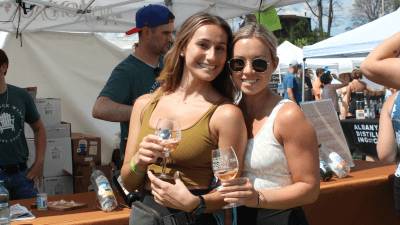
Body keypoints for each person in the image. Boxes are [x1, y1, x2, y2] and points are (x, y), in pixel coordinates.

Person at [121, 13, 247, 225]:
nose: (212, 56)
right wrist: (139, 161)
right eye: (203, 45)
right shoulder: (144, 104)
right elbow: (128, 181)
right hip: (146, 214)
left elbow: (229, 189)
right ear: (182, 48)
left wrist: (196, 203)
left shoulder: (224, 114)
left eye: (220, 48)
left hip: (192, 218)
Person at [220, 23, 319, 225]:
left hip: (281, 218)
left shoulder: (288, 116)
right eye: (238, 63)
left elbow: (309, 189)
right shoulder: (229, 113)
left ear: (273, 64)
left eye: (259, 64)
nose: (247, 71)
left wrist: (257, 197)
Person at [92, 4, 175, 166]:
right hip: (139, 162)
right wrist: (145, 111)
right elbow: (99, 109)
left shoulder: (168, 63)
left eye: (171, 32)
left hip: (167, 156)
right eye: (165, 33)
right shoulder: (127, 70)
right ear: (145, 32)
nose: (170, 38)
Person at [0, 49, 46, 200]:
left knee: (36, 218)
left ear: (4, 67)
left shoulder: (21, 95)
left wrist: (39, 163)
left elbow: (39, 128)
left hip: (21, 175)